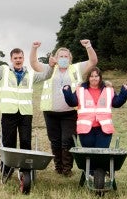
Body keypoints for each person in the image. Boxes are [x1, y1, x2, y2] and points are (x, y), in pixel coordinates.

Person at [0, 41, 52, 193]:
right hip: (9, 113)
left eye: (20, 57)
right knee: (9, 142)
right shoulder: (3, 72)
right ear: (11, 59)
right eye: (16, 58)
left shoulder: (31, 74)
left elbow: (46, 75)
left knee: (26, 142)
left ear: (23, 58)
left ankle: (25, 170)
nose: (18, 60)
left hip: (25, 114)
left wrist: (51, 66)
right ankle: (6, 169)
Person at [30, 40, 97, 176]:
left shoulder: (76, 68)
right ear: (55, 58)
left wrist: (88, 46)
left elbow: (93, 61)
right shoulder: (49, 68)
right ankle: (58, 167)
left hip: (70, 112)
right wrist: (34, 48)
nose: (63, 59)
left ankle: (67, 169)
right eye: (61, 56)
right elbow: (34, 63)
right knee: (55, 141)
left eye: (66, 56)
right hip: (50, 111)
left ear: (70, 59)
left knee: (68, 140)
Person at [62, 67, 127, 147]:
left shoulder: (108, 90)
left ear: (100, 77)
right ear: (88, 78)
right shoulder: (80, 90)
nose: (94, 78)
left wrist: (124, 91)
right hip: (86, 130)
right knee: (88, 156)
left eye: (96, 76)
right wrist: (67, 91)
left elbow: (117, 103)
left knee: (101, 155)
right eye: (91, 76)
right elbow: (72, 102)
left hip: (104, 130)